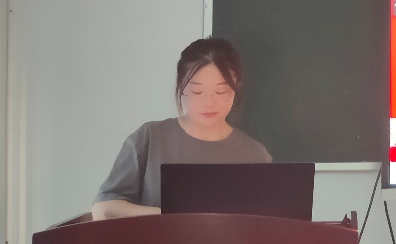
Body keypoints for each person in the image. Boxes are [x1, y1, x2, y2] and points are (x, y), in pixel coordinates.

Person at [91, 37, 272, 220]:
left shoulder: (255, 154)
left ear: (236, 87)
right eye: (196, 92)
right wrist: (172, 217)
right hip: (158, 240)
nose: (208, 102)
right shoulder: (150, 138)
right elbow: (103, 209)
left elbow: (268, 224)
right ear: (181, 86)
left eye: (220, 91)